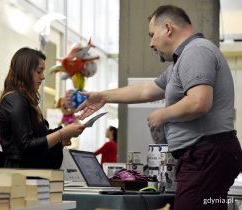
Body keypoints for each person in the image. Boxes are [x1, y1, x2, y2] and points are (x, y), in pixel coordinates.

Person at [76, 5, 242, 210]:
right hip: (206, 156)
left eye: (152, 34)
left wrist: (162, 115)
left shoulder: (196, 52)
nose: (151, 43)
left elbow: (199, 102)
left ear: (169, 29)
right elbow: (147, 90)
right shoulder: (182, 62)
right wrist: (104, 96)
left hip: (206, 155)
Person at [0, 47, 85, 169]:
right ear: (25, 71)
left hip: (28, 171)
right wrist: (61, 134)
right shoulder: (15, 99)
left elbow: (37, 137)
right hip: (21, 173)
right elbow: (26, 145)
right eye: (39, 71)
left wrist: (60, 139)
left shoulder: (24, 99)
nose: (43, 77)